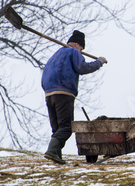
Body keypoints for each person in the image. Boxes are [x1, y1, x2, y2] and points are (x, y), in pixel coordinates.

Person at [41, 30, 107, 164]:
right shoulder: (73, 52)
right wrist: (99, 62)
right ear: (77, 44)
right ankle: (52, 151)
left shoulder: (55, 55)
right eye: (82, 48)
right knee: (66, 127)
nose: (82, 51)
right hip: (64, 94)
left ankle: (56, 156)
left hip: (49, 94)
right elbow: (82, 67)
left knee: (57, 129)